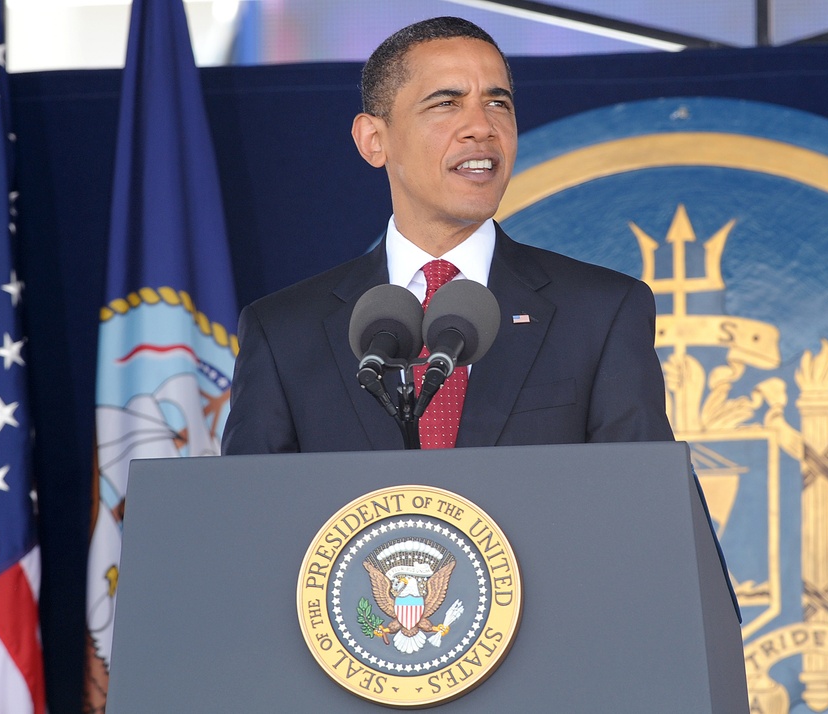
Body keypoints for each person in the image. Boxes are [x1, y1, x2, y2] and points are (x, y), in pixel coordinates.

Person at [221, 16, 674, 455]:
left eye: (498, 103)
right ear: (373, 140)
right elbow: (248, 518)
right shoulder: (283, 333)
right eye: (446, 103)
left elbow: (649, 510)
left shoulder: (602, 313)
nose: (482, 127)